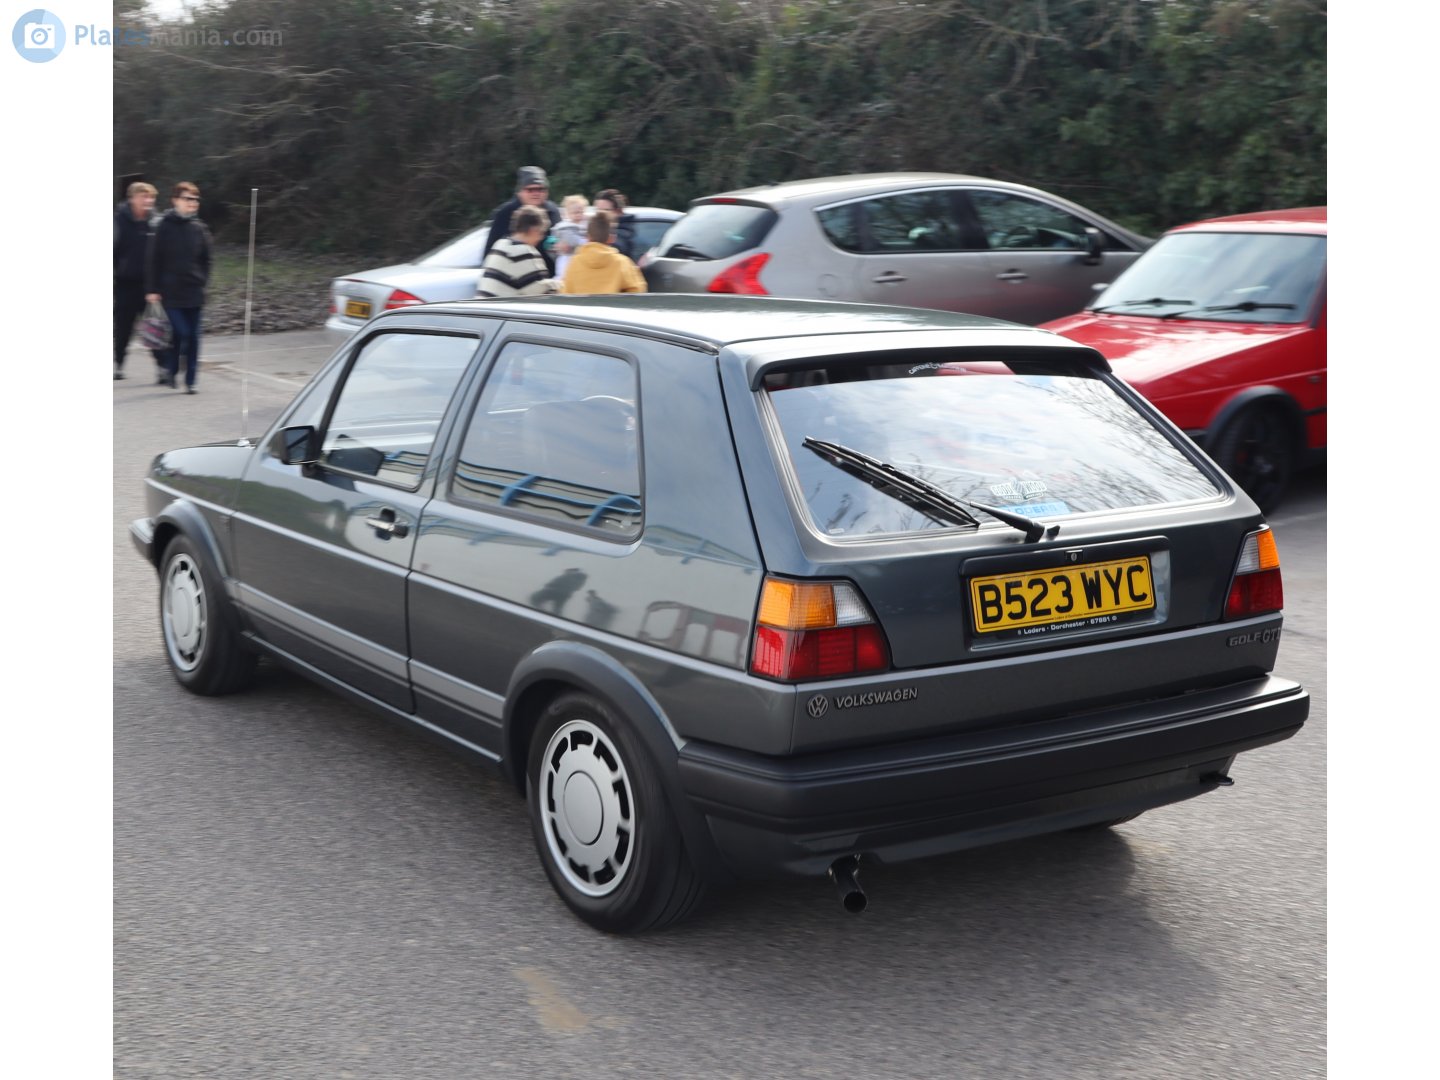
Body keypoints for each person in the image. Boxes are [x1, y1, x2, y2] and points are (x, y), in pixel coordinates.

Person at [145, 181, 213, 394]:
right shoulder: (163, 226)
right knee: (181, 332)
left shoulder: (200, 228)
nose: (193, 202)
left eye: (195, 199)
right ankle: (172, 367)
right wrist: (152, 289)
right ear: (175, 200)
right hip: (170, 293)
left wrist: (202, 280)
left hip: (194, 291)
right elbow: (154, 259)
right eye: (187, 198)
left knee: (193, 337)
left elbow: (207, 259)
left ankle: (191, 380)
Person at [113, 181, 159, 380]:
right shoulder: (117, 221)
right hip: (125, 284)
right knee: (123, 327)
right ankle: (119, 364)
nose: (148, 200)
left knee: (155, 326)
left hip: (151, 286)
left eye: (151, 197)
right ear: (132, 198)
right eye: (143, 196)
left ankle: (163, 368)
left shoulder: (156, 222)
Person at [481, 167, 562, 274]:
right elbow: (490, 254)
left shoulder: (553, 211)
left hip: (550, 276)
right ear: (520, 192)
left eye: (540, 189)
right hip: (516, 277)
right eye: (530, 190)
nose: (536, 193)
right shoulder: (505, 214)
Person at [477, 205, 559, 297]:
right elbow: (541, 293)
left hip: (485, 304)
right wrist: (561, 284)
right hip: (502, 305)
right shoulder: (524, 252)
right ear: (533, 230)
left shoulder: (500, 244)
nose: (541, 238)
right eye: (541, 233)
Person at [562, 210, 647, 295]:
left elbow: (566, 292)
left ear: (587, 237)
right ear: (612, 238)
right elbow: (638, 292)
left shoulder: (574, 262)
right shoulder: (622, 263)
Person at [593, 188, 638, 260]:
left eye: (605, 210)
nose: (600, 214)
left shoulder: (623, 233)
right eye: (598, 210)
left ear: (617, 211)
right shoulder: (598, 228)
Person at [551, 194, 589, 278]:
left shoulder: (586, 225)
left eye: (581, 212)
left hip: (581, 256)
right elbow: (572, 240)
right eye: (575, 212)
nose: (579, 214)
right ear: (567, 213)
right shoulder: (564, 226)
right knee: (564, 274)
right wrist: (556, 244)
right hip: (567, 256)